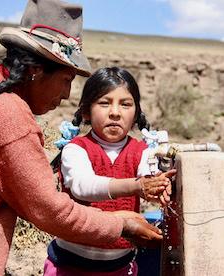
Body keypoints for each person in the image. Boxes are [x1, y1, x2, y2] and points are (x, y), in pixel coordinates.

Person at [0, 1, 164, 275]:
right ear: (36, 71)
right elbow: (49, 210)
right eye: (66, 80)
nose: (66, 94)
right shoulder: (8, 114)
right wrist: (120, 225)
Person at [44, 67, 176, 276]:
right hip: (69, 265)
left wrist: (159, 187)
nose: (115, 112)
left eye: (125, 104)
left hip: (120, 267)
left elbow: (148, 177)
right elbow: (82, 186)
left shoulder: (141, 152)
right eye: (104, 103)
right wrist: (136, 186)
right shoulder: (76, 149)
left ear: (136, 114)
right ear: (86, 111)